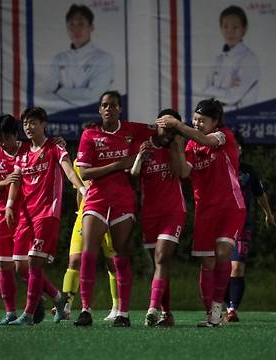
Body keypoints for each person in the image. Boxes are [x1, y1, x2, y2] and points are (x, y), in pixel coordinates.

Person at [156, 99, 246, 327]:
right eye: (195, 119)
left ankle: (218, 310)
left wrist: (178, 125)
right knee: (207, 262)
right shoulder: (191, 146)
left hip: (230, 206)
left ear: (215, 122)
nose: (196, 123)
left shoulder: (223, 135)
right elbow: (185, 171)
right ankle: (211, 314)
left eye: (202, 120)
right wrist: (176, 144)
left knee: (224, 253)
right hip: (205, 210)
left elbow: (204, 139)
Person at [73, 90, 154, 327]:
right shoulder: (90, 134)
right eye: (104, 105)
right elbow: (86, 172)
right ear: (99, 110)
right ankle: (86, 310)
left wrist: (172, 125)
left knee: (121, 255)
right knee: (88, 253)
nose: (108, 109)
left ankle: (123, 314)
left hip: (123, 200)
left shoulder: (132, 130)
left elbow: (159, 133)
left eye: (113, 105)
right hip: (96, 199)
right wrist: (119, 164)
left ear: (120, 109)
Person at [3, 106, 85, 325]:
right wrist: (10, 205)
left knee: (34, 262)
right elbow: (16, 180)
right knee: (21, 267)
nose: (29, 127)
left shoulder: (55, 148)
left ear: (43, 124)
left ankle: (28, 315)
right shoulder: (22, 154)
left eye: (33, 123)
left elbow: (68, 170)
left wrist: (81, 188)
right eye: (26, 123)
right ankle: (59, 298)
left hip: (47, 214)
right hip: (25, 216)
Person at [131, 109, 187, 327]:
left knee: (162, 258)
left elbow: (183, 173)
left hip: (173, 211)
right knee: (159, 264)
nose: (169, 130)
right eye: (166, 125)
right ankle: (167, 313)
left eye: (174, 127)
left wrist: (178, 146)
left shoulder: (177, 147)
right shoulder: (145, 145)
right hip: (150, 213)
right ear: (158, 124)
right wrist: (139, 158)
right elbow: (134, 175)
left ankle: (152, 308)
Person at [0, 114, 31, 325]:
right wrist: (4, 181)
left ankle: (44, 301)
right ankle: (10, 312)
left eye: (6, 136)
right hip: (2, 216)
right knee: (4, 266)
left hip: (26, 215)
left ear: (15, 134)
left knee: (26, 266)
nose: (3, 141)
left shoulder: (29, 151)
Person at [57, 161, 120, 321]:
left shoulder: (113, 155)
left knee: (112, 262)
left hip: (111, 209)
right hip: (86, 211)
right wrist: (80, 212)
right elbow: (79, 190)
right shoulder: (79, 160)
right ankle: (65, 305)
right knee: (75, 259)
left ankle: (117, 307)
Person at [224, 133, 276, 322]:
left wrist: (268, 213)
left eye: (237, 146)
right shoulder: (218, 167)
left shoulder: (248, 171)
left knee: (237, 268)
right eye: (231, 146)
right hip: (220, 225)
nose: (235, 149)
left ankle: (232, 309)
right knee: (223, 268)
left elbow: (259, 194)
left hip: (242, 226)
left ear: (241, 149)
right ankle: (221, 305)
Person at [42, 4, 114, 112]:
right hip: (63, 119)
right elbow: (47, 94)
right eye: (72, 24)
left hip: (92, 117)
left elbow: (95, 96)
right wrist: (80, 95)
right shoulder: (59, 58)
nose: (76, 29)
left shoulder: (104, 58)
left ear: (91, 27)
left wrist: (59, 90)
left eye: (81, 24)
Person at [200, 5, 259, 110]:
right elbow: (203, 90)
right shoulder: (218, 59)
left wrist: (213, 90)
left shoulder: (249, 59)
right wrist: (226, 89)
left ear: (244, 29)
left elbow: (232, 97)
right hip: (217, 118)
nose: (230, 31)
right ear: (221, 28)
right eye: (225, 26)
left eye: (235, 27)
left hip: (241, 118)